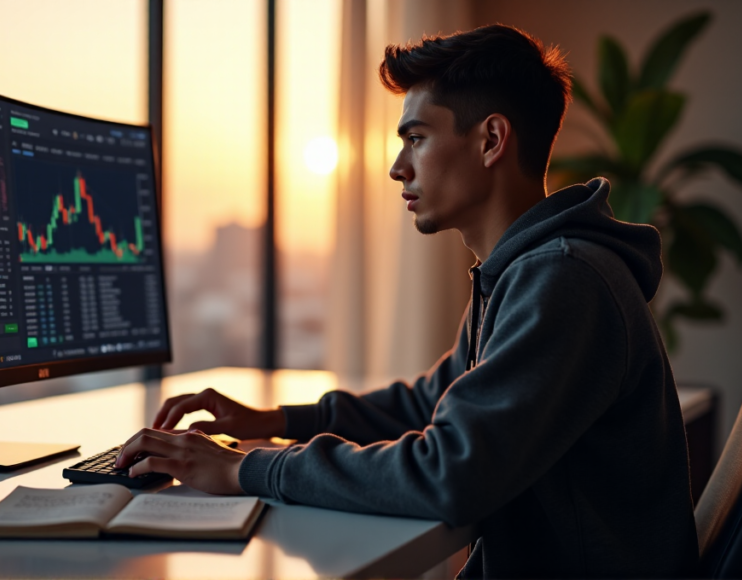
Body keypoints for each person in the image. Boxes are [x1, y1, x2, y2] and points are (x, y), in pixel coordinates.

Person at [116, 23, 699, 578]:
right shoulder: (525, 269)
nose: (398, 168)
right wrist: (273, 421)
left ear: (491, 140)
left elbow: (449, 472)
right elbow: (433, 400)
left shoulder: (563, 279)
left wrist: (248, 467)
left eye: (416, 139)